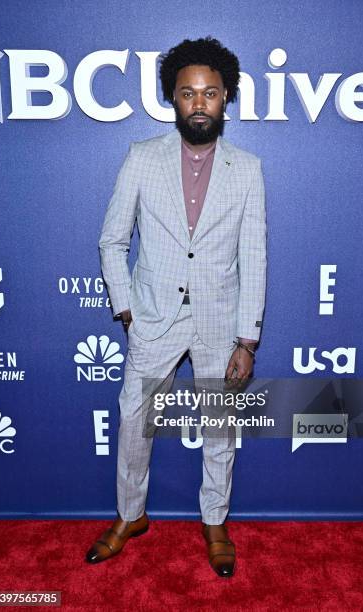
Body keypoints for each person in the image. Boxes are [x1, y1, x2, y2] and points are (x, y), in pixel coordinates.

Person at [85, 36, 267, 578]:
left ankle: (214, 521)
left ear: (226, 97)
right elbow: (111, 241)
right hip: (153, 319)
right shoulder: (142, 158)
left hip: (219, 321)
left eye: (210, 93)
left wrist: (247, 339)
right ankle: (130, 515)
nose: (199, 103)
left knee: (220, 428)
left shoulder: (248, 168)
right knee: (133, 420)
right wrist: (127, 312)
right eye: (188, 93)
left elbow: (253, 255)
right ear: (173, 99)